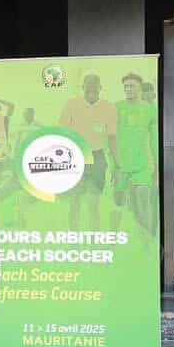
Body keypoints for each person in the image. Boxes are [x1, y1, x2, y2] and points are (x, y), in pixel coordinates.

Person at [59, 73, 119, 230]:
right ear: (83, 87)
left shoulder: (108, 107)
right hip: (74, 158)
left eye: (95, 85)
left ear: (100, 88)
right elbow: (61, 133)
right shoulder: (72, 104)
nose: (91, 88)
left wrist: (117, 164)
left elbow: (112, 137)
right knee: (74, 203)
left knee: (93, 204)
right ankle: (74, 242)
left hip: (97, 158)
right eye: (88, 85)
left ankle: (93, 242)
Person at [114, 72, 159, 233]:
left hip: (142, 166)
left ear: (140, 87)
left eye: (131, 85)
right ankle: (120, 241)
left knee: (143, 199)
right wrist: (114, 165)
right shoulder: (116, 108)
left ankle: (149, 238)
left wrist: (156, 165)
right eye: (125, 86)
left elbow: (154, 140)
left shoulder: (150, 110)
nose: (128, 89)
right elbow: (109, 138)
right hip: (121, 166)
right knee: (123, 205)